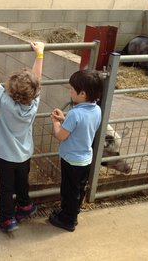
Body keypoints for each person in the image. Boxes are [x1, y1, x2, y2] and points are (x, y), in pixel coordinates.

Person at [0, 35, 44, 233]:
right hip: (24, 154)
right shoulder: (34, 103)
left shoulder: (4, 103)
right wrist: (39, 55)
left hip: (6, 155)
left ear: (10, 91)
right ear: (34, 92)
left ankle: (7, 219)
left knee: (6, 188)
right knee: (22, 182)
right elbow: (36, 79)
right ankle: (25, 206)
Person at [49, 70, 104, 232]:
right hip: (85, 159)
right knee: (78, 190)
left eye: (72, 89)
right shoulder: (97, 110)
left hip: (71, 160)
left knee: (68, 190)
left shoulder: (74, 113)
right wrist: (65, 120)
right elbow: (82, 126)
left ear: (82, 93)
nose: (70, 91)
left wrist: (56, 122)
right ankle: (71, 212)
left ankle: (68, 220)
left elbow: (61, 135)